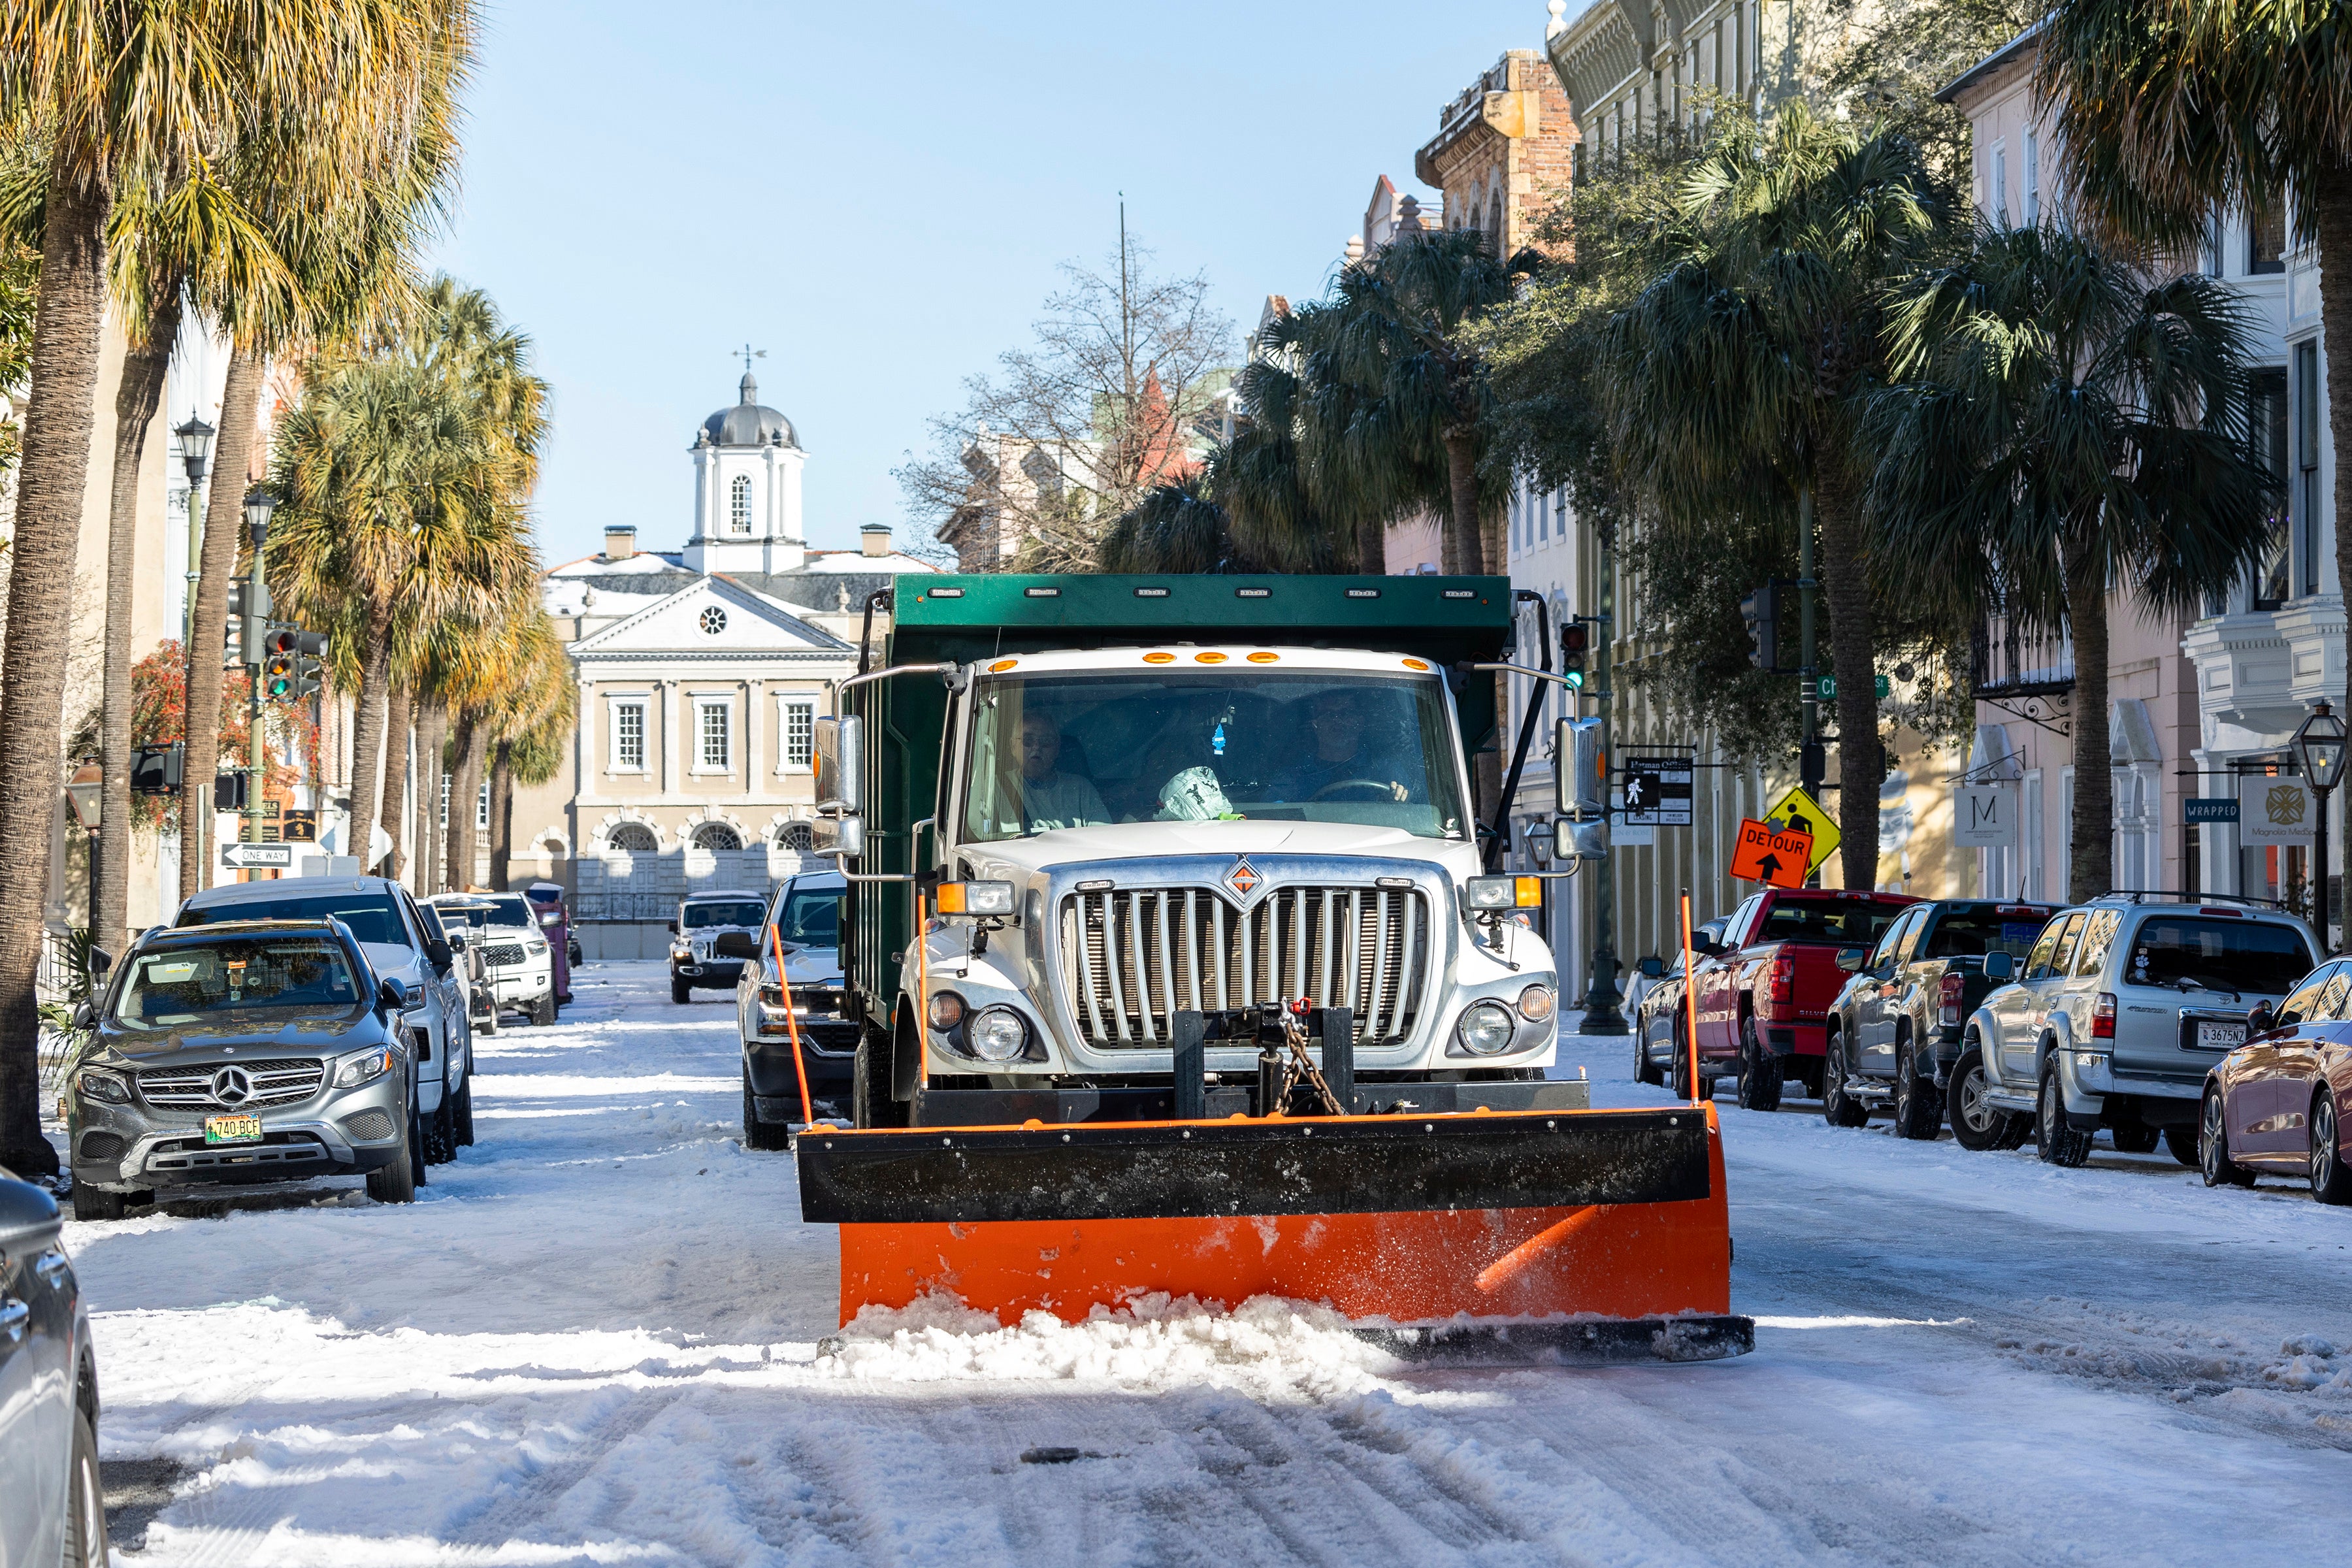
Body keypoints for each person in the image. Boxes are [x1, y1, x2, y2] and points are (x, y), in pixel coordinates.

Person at [1267, 688, 1409, 803]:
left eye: (1345, 714)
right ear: (1315, 724)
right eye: (1329, 715)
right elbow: (1272, 813)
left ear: (1360, 723)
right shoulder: (1294, 774)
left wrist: (1398, 798)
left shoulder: (1385, 769)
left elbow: (1412, 809)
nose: (1337, 721)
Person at [1006, 710, 1109, 831]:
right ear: (1013, 746)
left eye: (1046, 741)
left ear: (1057, 748)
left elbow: (1104, 835)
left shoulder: (1081, 789)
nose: (1037, 747)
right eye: (1028, 740)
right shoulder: (998, 787)